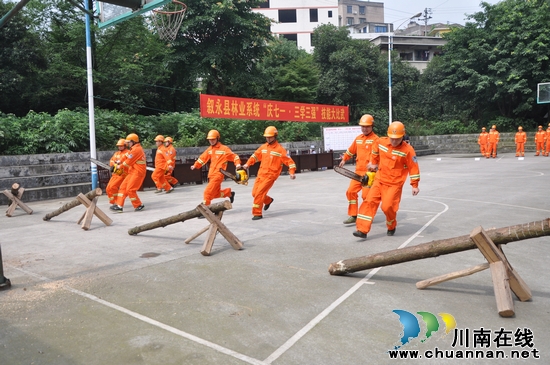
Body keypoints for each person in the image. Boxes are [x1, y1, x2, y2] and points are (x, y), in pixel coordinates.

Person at [354, 121, 420, 239]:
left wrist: (414, 185)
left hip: (394, 184)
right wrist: (373, 162)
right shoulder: (381, 142)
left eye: (397, 139)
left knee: (387, 207)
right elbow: (375, 148)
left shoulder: (408, 150)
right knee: (369, 202)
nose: (394, 141)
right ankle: (362, 230)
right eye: (392, 138)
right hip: (379, 180)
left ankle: (391, 225)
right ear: (388, 135)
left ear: (402, 137)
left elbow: (413, 167)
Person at [243, 126, 296, 220]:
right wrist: (247, 164)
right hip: (261, 174)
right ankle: (268, 201)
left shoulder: (280, 150)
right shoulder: (263, 147)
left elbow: (290, 162)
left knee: (259, 193)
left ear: (275, 136)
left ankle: (257, 213)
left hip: (270, 176)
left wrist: (292, 172)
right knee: (254, 193)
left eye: (270, 137)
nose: (268, 138)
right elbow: (255, 156)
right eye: (267, 137)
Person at [339, 114, 379, 224]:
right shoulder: (358, 139)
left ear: (372, 126)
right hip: (358, 172)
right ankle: (353, 215)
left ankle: (367, 215)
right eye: (363, 126)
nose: (364, 129)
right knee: (350, 192)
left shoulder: (376, 140)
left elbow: (379, 155)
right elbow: (350, 151)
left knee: (366, 196)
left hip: (370, 173)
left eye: (367, 126)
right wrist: (344, 159)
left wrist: (375, 164)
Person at [191, 130, 241, 208]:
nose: (211, 141)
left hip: (218, 174)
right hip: (211, 174)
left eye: (213, 139)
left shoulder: (224, 149)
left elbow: (234, 156)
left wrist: (237, 163)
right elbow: (203, 158)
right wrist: (195, 165)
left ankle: (206, 211)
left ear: (217, 138)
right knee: (214, 194)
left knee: (207, 192)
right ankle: (229, 193)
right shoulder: (210, 149)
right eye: (210, 140)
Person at [111, 133, 147, 212]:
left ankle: (138, 205)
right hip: (132, 172)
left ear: (133, 141)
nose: (127, 144)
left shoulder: (136, 150)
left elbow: (128, 162)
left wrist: (118, 166)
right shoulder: (133, 149)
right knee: (123, 188)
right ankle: (119, 206)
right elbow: (126, 156)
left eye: (128, 142)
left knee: (130, 189)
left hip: (138, 173)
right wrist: (119, 161)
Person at [105, 139, 128, 207]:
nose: (120, 147)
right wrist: (114, 164)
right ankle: (113, 202)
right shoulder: (116, 153)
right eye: (119, 146)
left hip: (122, 174)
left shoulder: (127, 153)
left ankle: (117, 202)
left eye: (121, 146)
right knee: (108, 188)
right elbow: (111, 160)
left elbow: (127, 162)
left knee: (113, 186)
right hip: (115, 174)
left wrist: (119, 163)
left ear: (125, 146)